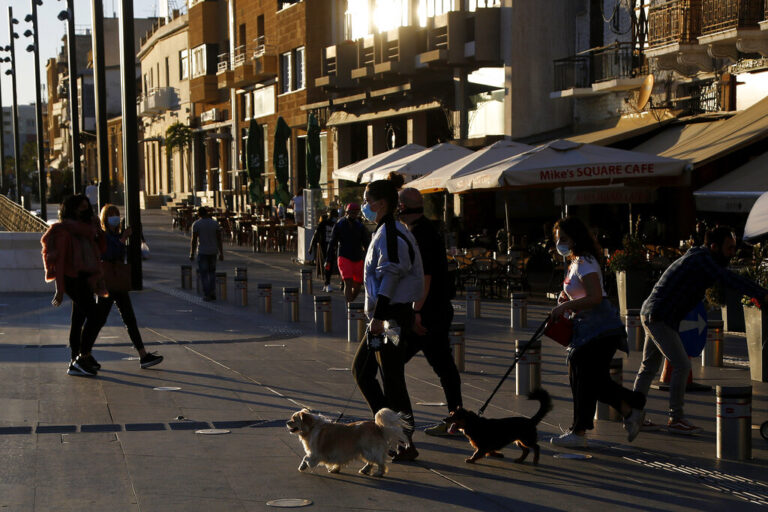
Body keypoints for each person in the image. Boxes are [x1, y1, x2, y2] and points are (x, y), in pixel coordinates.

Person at [633, 226, 768, 434]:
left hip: (654, 313)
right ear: (714, 247)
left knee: (648, 367)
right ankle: (676, 418)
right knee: (681, 365)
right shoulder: (702, 260)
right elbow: (728, 279)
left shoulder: (700, 257)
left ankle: (634, 416)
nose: (733, 253)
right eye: (729, 248)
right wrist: (761, 294)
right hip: (658, 317)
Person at [549, 216, 646, 448]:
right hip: (588, 330)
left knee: (584, 379)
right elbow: (583, 293)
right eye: (557, 239)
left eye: (563, 238)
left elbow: (595, 297)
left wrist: (565, 306)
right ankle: (630, 410)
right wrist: (567, 297)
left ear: (575, 237)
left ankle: (580, 430)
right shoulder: (577, 261)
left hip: (599, 330)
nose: (559, 243)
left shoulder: (585, 262)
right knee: (590, 380)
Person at [352, 179, 424, 462]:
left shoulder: (392, 233)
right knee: (363, 370)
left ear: (381, 203)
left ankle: (404, 440)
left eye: (367, 198)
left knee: (392, 379)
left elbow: (392, 273)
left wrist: (379, 316)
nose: (365, 204)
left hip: (391, 317)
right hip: (387, 316)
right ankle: (387, 427)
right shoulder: (384, 231)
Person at [397, 188, 463, 436]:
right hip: (436, 311)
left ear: (403, 207)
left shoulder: (420, 234)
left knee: (392, 362)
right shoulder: (423, 230)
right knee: (444, 366)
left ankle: (398, 424)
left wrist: (415, 312)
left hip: (426, 314)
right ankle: (455, 420)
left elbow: (425, 277)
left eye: (399, 203)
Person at [41, 194, 107, 377]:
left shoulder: (87, 230)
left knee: (78, 319)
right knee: (95, 316)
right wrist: (60, 290)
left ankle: (77, 359)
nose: (84, 211)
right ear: (72, 210)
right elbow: (60, 262)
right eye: (81, 208)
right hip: (72, 279)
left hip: (86, 278)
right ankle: (82, 356)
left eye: (87, 207)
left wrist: (98, 231)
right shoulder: (64, 231)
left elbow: (101, 249)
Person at [92, 204, 163, 369]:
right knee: (99, 319)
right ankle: (84, 352)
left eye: (116, 214)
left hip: (118, 282)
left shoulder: (116, 234)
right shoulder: (103, 235)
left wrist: (123, 238)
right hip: (108, 282)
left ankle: (143, 355)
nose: (115, 218)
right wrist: (123, 239)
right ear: (104, 218)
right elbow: (108, 254)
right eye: (111, 215)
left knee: (129, 319)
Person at [326, 203, 370, 300]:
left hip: (358, 257)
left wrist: (370, 257)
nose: (354, 214)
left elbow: (366, 244)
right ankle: (349, 306)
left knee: (358, 285)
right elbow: (332, 242)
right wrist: (328, 259)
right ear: (347, 212)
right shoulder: (339, 224)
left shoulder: (360, 226)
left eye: (356, 212)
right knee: (348, 282)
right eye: (352, 212)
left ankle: (350, 302)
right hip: (344, 256)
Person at [189, 207, 224, 301]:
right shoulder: (214, 223)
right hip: (213, 251)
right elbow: (219, 239)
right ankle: (212, 292)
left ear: (199, 214)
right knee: (212, 273)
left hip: (202, 251)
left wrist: (191, 253)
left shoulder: (196, 224)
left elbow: (194, 240)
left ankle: (207, 294)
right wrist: (221, 253)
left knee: (204, 274)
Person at [308, 211, 336, 289]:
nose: (334, 218)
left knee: (331, 264)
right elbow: (316, 234)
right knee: (328, 263)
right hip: (324, 246)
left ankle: (328, 282)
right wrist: (311, 246)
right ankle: (327, 283)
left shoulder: (336, 224)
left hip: (333, 247)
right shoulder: (323, 223)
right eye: (333, 216)